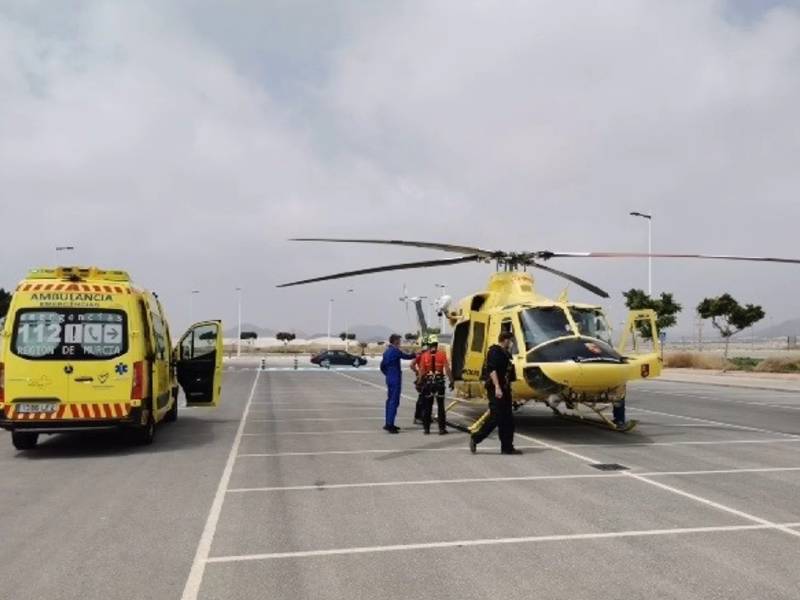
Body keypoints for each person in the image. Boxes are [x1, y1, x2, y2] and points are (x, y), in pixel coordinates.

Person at [470, 331, 522, 455]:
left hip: (505, 390)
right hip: (495, 389)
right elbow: (492, 370)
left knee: (508, 420)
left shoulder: (506, 353)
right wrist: (497, 387)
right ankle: (476, 438)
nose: (512, 343)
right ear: (505, 340)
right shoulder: (494, 351)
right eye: (510, 340)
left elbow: (507, 373)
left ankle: (507, 447)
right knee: (496, 417)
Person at [415, 334, 454, 435]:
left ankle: (426, 429)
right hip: (439, 383)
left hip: (428, 384)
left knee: (428, 406)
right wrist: (451, 381)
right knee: (441, 407)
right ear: (436, 344)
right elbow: (447, 369)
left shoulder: (424, 356)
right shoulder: (442, 354)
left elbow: (422, 371)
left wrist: (419, 382)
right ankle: (441, 429)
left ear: (429, 344)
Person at [380, 333, 417, 433]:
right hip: (395, 378)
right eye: (399, 340)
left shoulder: (386, 352)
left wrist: (387, 374)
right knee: (394, 401)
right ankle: (390, 425)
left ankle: (388, 422)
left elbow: (382, 366)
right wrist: (415, 354)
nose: (400, 342)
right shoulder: (395, 351)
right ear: (395, 341)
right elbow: (406, 356)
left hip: (389, 377)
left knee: (389, 400)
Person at [409, 338, 429, 425]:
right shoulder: (421, 355)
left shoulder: (421, 354)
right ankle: (418, 417)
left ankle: (424, 416)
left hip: (426, 377)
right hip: (423, 378)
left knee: (426, 398)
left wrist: (416, 371)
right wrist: (417, 372)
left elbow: (412, 365)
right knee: (422, 398)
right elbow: (411, 365)